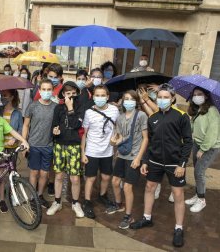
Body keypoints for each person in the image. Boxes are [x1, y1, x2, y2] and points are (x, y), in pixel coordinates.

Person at [130, 83, 192, 248]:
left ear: (172, 99)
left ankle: (179, 228)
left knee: (178, 195)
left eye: (166, 97)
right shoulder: (153, 117)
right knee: (149, 188)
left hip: (175, 164)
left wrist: (182, 164)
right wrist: (145, 161)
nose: (162, 100)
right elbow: (150, 142)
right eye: (160, 97)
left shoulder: (181, 116)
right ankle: (147, 218)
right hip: (155, 161)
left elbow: (188, 142)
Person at [106, 91, 148, 229]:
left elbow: (146, 138)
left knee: (128, 187)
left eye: (131, 99)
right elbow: (118, 138)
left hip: (134, 156)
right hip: (122, 155)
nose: (128, 102)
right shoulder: (120, 118)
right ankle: (119, 204)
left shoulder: (141, 116)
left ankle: (128, 216)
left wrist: (138, 158)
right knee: (115, 181)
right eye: (125, 99)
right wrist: (113, 143)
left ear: (136, 101)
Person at [47, 81, 85, 218]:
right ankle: (57, 202)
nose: (71, 96)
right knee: (59, 176)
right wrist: (55, 131)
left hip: (74, 146)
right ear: (63, 94)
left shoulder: (80, 107)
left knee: (75, 178)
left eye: (73, 94)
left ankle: (76, 203)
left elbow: (76, 124)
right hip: (59, 145)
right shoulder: (58, 108)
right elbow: (54, 126)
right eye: (68, 93)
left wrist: (70, 108)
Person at [81, 84, 119, 219]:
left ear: (107, 97)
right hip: (92, 150)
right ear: (93, 97)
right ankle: (87, 201)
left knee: (106, 177)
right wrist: (83, 153)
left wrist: (116, 142)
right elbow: (84, 134)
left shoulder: (114, 110)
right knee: (90, 178)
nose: (100, 98)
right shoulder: (89, 112)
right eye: (97, 95)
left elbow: (116, 128)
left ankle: (102, 196)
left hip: (107, 151)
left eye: (103, 95)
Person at [22, 79, 57, 209]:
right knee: (34, 173)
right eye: (44, 89)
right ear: (39, 90)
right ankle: (32, 197)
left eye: (49, 89)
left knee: (44, 174)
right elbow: (26, 125)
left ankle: (40, 195)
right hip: (34, 145)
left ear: (52, 91)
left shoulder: (55, 107)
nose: (46, 92)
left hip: (48, 146)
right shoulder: (32, 106)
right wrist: (24, 142)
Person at [185, 87, 220, 212]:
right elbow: (195, 128)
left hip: (209, 147)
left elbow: (212, 133)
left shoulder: (213, 111)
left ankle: (202, 200)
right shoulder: (199, 110)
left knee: (199, 171)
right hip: (197, 144)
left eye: (199, 94)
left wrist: (203, 149)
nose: (196, 97)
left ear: (206, 96)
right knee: (197, 171)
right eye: (194, 94)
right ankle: (198, 194)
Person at [0, 89, 23, 162]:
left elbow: (21, 128)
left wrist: (15, 139)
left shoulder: (17, 113)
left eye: (5, 95)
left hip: (12, 145)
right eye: (2, 95)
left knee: (12, 167)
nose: (2, 98)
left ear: (12, 97)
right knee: (0, 168)